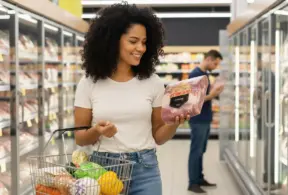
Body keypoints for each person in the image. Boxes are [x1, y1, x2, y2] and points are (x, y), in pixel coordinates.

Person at [73, 3, 190, 195]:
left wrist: (175, 123)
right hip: (103, 172)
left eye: (144, 42)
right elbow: (80, 138)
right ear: (112, 41)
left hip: (145, 170)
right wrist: (96, 131)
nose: (141, 48)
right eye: (133, 41)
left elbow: (159, 136)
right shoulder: (89, 83)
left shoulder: (152, 82)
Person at [188, 50, 224, 193]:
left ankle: (199, 178)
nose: (215, 66)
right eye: (215, 63)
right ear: (208, 59)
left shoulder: (205, 75)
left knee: (201, 150)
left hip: (205, 118)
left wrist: (214, 91)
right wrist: (213, 94)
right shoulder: (195, 74)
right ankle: (192, 183)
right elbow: (194, 100)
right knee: (196, 151)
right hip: (198, 119)